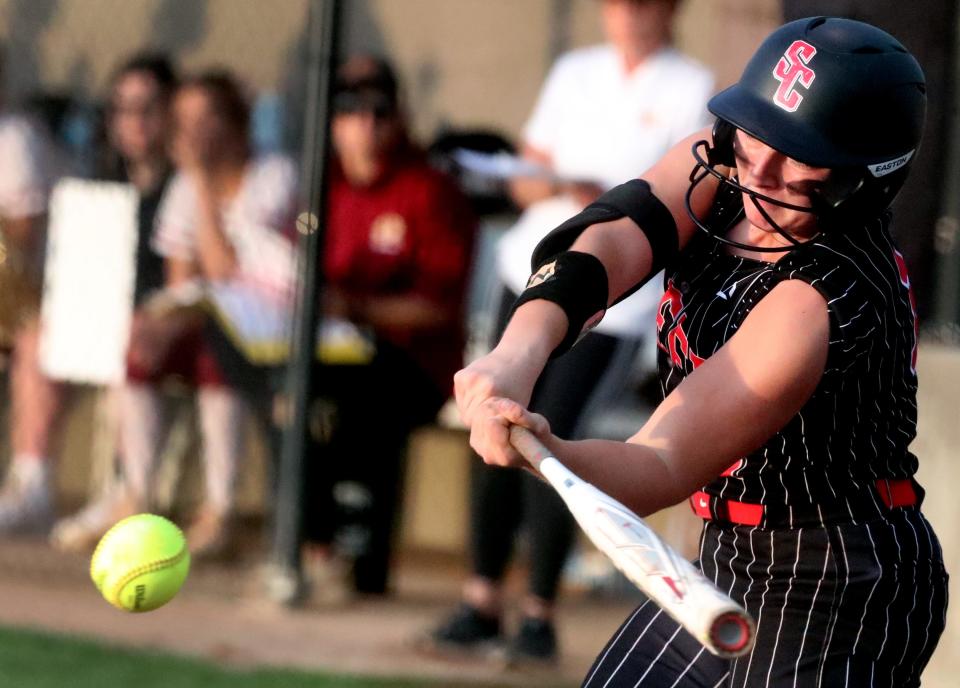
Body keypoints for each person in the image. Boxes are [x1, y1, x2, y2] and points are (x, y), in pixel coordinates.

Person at [453, 16, 947, 687]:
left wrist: (543, 452)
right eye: (756, 136)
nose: (759, 169)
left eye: (796, 153)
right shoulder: (720, 165)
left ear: (861, 180)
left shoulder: (819, 299)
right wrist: (517, 354)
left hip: (839, 576)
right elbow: (610, 240)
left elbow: (658, 463)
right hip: (728, 555)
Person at [430, 0, 713, 662]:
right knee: (494, 415)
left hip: (620, 300)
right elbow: (527, 183)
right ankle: (481, 598)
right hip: (538, 269)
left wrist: (604, 198)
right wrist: (566, 189)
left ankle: (539, 612)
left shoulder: (690, 85)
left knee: (552, 433)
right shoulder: (576, 71)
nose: (625, 11)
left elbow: (682, 204)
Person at [55, 70, 299, 558]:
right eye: (182, 119)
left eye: (204, 117)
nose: (188, 130)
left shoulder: (274, 175)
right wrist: (160, 325)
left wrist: (203, 182)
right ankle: (137, 496)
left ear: (235, 122)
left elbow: (224, 270)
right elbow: (184, 283)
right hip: (216, 319)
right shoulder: (185, 184)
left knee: (216, 353)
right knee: (140, 341)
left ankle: (221, 509)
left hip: (272, 327)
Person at [299, 54, 475, 596]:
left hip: (416, 361)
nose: (366, 124)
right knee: (295, 397)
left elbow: (440, 307)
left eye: (379, 109)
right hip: (334, 356)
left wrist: (354, 309)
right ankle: (308, 545)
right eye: (351, 109)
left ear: (398, 114)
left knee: (363, 401)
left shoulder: (427, 188)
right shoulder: (320, 187)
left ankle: (359, 557)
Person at [47, 53, 180, 549]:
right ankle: (33, 481)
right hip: (104, 321)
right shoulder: (100, 181)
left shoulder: (184, 185)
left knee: (129, 341)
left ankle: (133, 493)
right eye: (124, 108)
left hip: (168, 326)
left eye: (149, 107)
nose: (137, 121)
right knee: (40, 334)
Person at [0, 45, 60, 534]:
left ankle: (30, 485)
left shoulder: (15, 138)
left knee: (35, 341)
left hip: (29, 303)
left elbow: (20, 242)